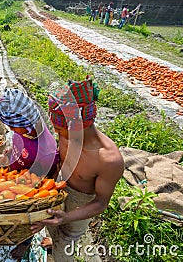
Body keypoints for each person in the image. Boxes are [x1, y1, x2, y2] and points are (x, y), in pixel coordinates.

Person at [31, 76, 124, 261]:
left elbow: (100, 203)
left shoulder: (109, 160)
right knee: (52, 225)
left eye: (60, 129)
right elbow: (59, 161)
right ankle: (53, 240)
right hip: (59, 188)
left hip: (81, 204)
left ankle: (61, 246)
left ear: (77, 126)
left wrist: (66, 217)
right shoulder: (67, 135)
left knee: (67, 241)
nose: (57, 133)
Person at [0, 88, 60, 261]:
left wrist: (9, 186)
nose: (9, 129)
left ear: (20, 124)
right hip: (16, 172)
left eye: (10, 126)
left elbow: (33, 187)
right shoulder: (26, 128)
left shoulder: (43, 151)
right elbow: (17, 142)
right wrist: (10, 153)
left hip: (28, 187)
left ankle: (25, 243)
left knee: (27, 217)